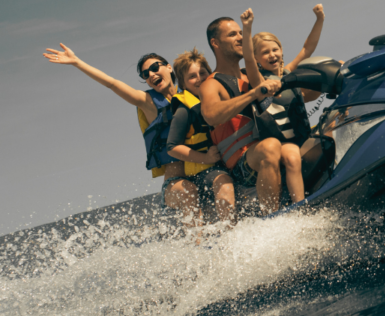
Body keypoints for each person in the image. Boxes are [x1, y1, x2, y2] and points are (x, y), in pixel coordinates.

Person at [41, 44, 201, 220]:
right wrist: (77, 62)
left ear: (169, 67)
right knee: (189, 193)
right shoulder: (148, 102)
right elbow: (112, 83)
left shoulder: (191, 94)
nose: (152, 74)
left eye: (155, 68)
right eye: (145, 75)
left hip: (202, 173)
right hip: (176, 186)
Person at [198, 15, 284, 213]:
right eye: (232, 34)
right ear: (216, 43)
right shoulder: (211, 84)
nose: (240, 38)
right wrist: (254, 93)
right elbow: (211, 115)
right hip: (241, 166)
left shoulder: (251, 74)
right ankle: (272, 220)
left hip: (269, 151)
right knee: (270, 147)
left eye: (240, 33)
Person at [242, 4, 326, 204]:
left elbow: (307, 48)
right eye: (265, 52)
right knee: (292, 155)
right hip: (280, 145)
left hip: (304, 138)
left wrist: (319, 19)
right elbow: (247, 59)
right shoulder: (259, 82)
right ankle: (299, 206)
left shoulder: (289, 73)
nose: (272, 55)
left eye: (275, 49)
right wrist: (247, 28)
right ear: (257, 58)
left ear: (281, 50)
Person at [167, 48, 236, 223]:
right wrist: (205, 158)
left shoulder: (219, 97)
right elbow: (172, 147)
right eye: (192, 76)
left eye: (203, 73)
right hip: (205, 171)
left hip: (230, 159)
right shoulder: (184, 110)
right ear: (182, 84)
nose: (199, 78)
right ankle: (231, 233)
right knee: (224, 182)